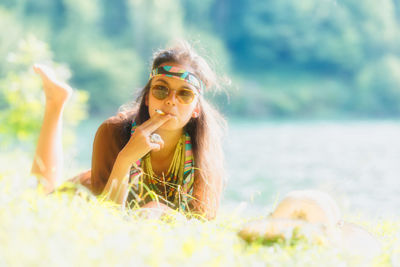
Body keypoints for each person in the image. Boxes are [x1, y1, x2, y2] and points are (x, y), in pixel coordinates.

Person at [31, 41, 226, 220]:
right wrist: (125, 159)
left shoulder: (205, 149)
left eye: (185, 94)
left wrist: (159, 209)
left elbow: (202, 220)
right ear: (147, 98)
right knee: (40, 197)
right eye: (161, 89)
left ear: (196, 109)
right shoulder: (113, 131)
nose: (171, 100)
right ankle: (55, 103)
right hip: (86, 193)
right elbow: (107, 216)